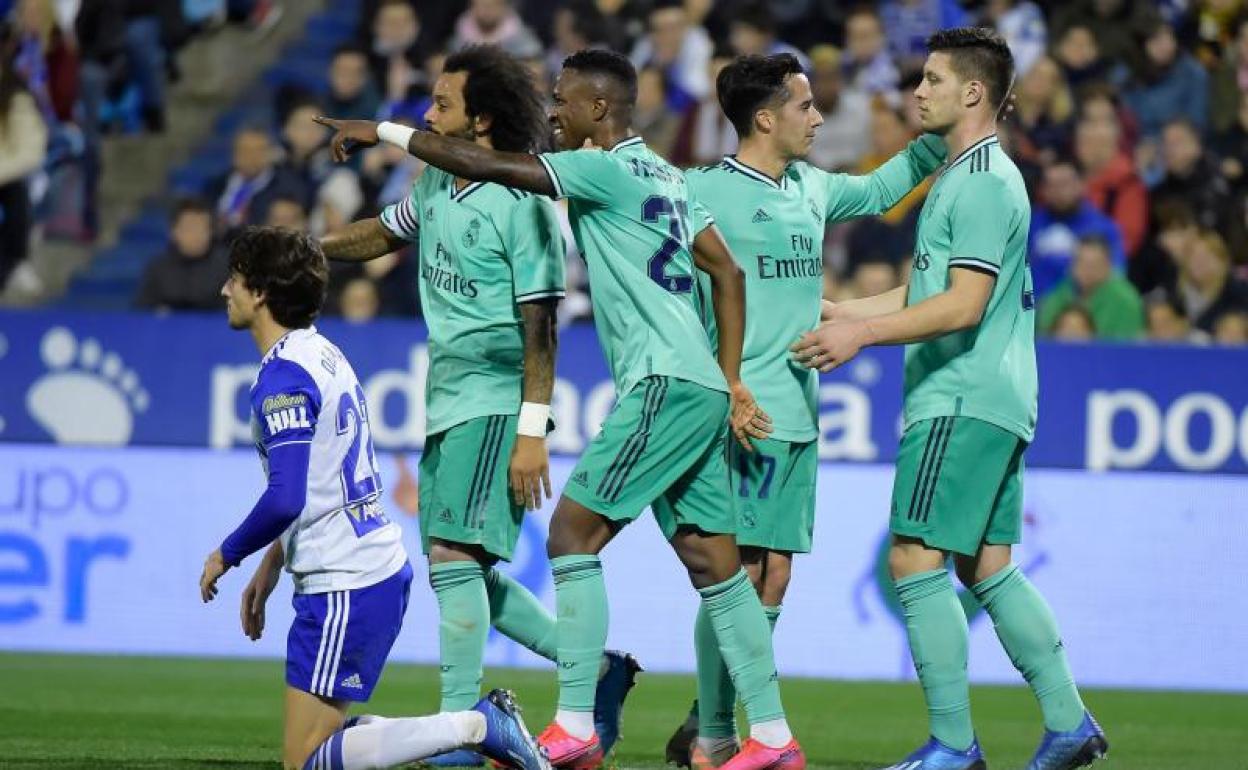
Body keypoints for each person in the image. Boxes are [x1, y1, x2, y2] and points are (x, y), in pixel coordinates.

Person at [317, 47, 803, 770]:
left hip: (661, 383)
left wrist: (379, 130)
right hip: (697, 381)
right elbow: (726, 272)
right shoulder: (667, 175)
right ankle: (771, 738)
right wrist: (728, 380)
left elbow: (491, 168)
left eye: (565, 99)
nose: (553, 110)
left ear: (598, 110)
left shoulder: (599, 167)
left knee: (573, 532)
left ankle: (575, 722)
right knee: (715, 566)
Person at [792, 27, 1107, 770]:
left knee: (912, 556)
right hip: (997, 393)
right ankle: (1068, 722)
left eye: (932, 79)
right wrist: (851, 313)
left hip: (960, 392)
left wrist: (865, 340)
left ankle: (954, 746)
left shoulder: (985, 182)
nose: (917, 92)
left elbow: (962, 306)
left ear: (973, 92)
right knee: (986, 565)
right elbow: (935, 288)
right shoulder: (971, 178)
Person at [318, 45, 638, 766]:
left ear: (482, 119)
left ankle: (459, 728)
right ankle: (594, 668)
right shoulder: (438, 183)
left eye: (441, 105)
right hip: (448, 397)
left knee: (453, 553)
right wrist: (309, 250)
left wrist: (531, 433)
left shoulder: (523, 204)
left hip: (497, 400)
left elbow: (543, 324)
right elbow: (383, 232)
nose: (429, 117)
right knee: (460, 568)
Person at [667, 53, 946, 770]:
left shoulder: (811, 189)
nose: (819, 118)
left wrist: (942, 129)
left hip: (801, 411)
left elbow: (886, 185)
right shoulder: (698, 191)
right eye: (805, 106)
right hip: (744, 412)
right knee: (738, 577)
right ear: (765, 118)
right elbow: (667, 297)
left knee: (775, 578)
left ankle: (716, 717)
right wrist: (721, 383)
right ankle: (717, 729)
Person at [197, 226, 550, 770]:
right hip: (363, 568)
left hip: (345, 578)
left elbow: (286, 496)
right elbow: (319, 479)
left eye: (236, 279)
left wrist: (228, 552)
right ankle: (473, 726)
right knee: (320, 748)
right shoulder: (322, 353)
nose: (225, 290)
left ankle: (477, 724)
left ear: (261, 292)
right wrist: (271, 565)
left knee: (305, 761)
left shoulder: (283, 378)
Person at [1037, 234, 1145, 340]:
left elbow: (1128, 348)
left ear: (1108, 266)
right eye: (1081, 262)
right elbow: (1043, 333)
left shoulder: (1125, 300)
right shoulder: (1059, 292)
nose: (1087, 270)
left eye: (1094, 264)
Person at [134, 198, 229, 311]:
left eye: (203, 227)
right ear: (173, 232)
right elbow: (142, 313)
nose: (197, 234)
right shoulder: (158, 268)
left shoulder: (227, 267)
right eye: (190, 228)